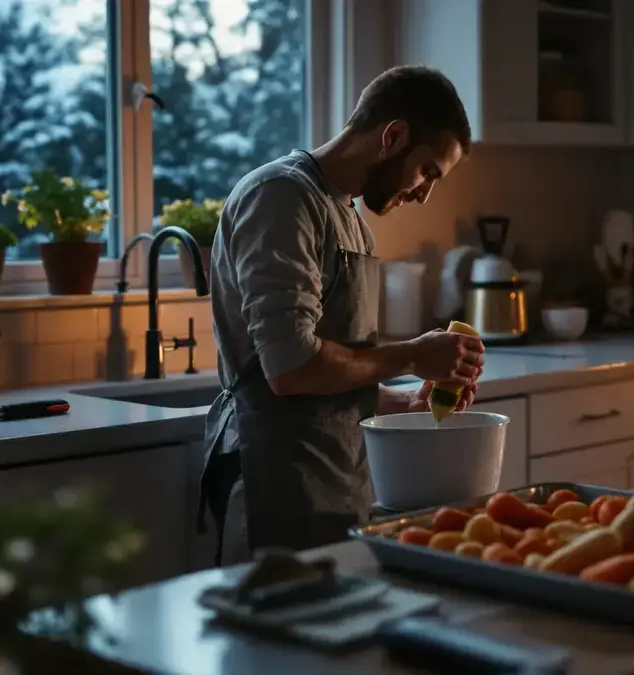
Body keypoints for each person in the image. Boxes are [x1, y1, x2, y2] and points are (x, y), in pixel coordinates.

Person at [200, 65, 484, 566]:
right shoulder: (281, 197)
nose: (424, 194)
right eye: (428, 173)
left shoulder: (350, 219)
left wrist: (405, 403)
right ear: (393, 136)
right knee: (276, 639)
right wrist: (415, 355)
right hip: (273, 479)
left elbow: (335, 372)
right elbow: (291, 369)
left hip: (335, 482)